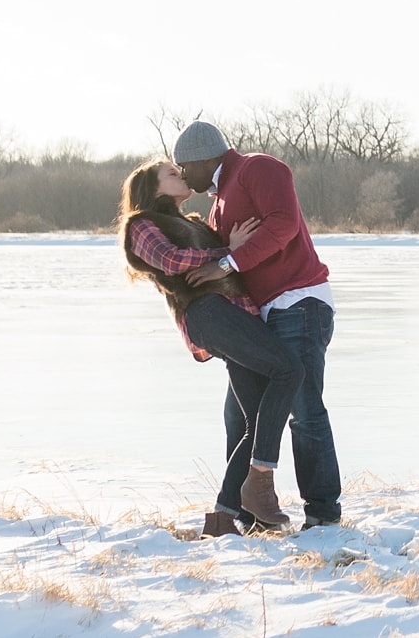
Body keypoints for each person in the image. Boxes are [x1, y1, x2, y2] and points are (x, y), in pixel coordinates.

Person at [171, 120, 343, 529]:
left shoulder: (258, 169)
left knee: (303, 410)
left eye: (183, 167)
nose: (182, 175)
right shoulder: (218, 201)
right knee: (240, 416)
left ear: (201, 157)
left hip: (298, 301)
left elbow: (282, 224)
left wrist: (226, 263)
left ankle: (322, 515)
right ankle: (244, 512)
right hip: (263, 316)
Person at [118, 158, 300, 534]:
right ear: (152, 189)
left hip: (235, 315)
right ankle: (261, 484)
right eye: (171, 173)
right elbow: (171, 261)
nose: (180, 174)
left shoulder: (195, 223)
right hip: (208, 314)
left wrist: (233, 252)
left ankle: (223, 517)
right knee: (290, 369)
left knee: (255, 421)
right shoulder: (141, 225)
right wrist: (226, 253)